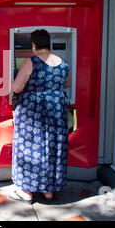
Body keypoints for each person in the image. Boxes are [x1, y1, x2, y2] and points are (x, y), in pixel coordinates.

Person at [10, 29, 71, 203]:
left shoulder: (31, 62)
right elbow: (67, 84)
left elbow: (17, 87)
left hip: (33, 111)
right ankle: (49, 191)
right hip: (56, 110)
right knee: (52, 146)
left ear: (34, 44)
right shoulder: (63, 63)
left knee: (29, 147)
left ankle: (26, 191)